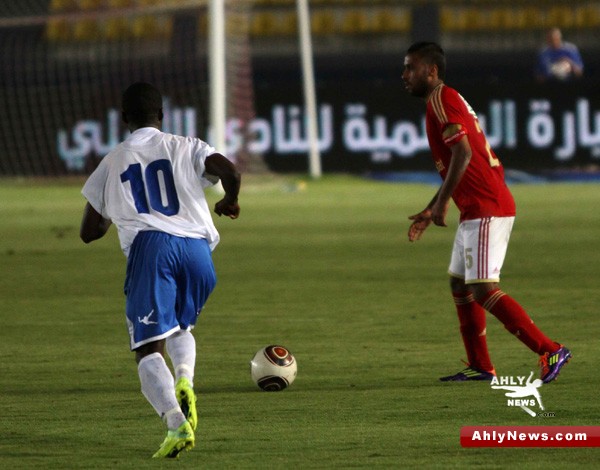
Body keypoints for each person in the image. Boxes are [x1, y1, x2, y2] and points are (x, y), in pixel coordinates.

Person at [80, 82, 241, 458]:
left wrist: (113, 212)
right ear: (162, 115)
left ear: (123, 119)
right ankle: (184, 379)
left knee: (147, 350)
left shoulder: (113, 160)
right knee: (179, 327)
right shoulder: (188, 145)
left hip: (153, 250)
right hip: (199, 253)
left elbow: (89, 232)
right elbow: (230, 172)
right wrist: (230, 202)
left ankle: (175, 424)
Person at [402, 42, 571, 383]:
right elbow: (460, 160)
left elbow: (463, 154)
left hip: (486, 205)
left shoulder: (440, 99)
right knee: (460, 283)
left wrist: (442, 204)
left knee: (482, 288)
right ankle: (481, 366)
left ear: (431, 72)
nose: (404, 75)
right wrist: (435, 203)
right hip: (478, 204)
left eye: (410, 68)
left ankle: (550, 349)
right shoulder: (443, 100)